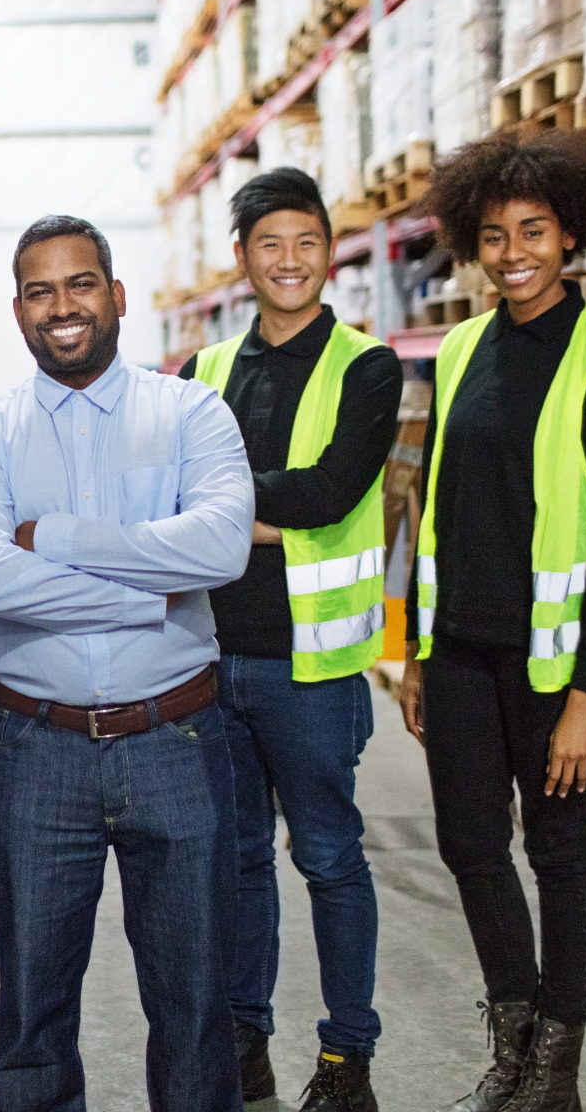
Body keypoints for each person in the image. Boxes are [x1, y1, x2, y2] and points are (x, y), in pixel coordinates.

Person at [0, 214, 254, 1112]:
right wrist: (149, 591)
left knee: (196, 1006)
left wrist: (55, 539)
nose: (62, 306)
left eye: (80, 284)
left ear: (116, 295)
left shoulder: (191, 411)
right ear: (18, 311)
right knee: (32, 1012)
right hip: (37, 751)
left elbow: (220, 548)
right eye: (39, 291)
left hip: (176, 740)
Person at [179, 167, 401, 1111]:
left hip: (310, 664)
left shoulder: (368, 366)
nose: (290, 260)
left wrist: (221, 511)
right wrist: (255, 514)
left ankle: (348, 1059)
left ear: (329, 253)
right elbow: (177, 489)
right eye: (271, 244)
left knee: (329, 859)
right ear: (242, 257)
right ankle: (246, 1044)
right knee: (235, 862)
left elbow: (331, 491)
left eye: (307, 242)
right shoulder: (203, 372)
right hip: (209, 655)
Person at [398, 129, 586, 1112]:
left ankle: (555, 1069)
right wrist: (415, 652)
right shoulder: (461, 348)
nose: (512, 251)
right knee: (470, 845)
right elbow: (432, 506)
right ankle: (514, 1049)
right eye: (492, 234)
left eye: (534, 229)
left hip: (554, 666)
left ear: (570, 236)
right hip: (460, 653)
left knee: (559, 855)